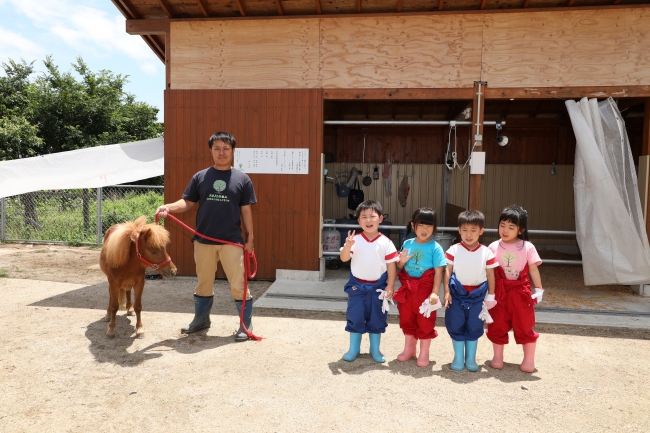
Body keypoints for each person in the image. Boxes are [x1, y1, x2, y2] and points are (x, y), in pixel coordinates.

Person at [155, 132, 257, 341]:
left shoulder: (242, 179)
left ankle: (245, 325)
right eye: (217, 148)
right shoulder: (200, 177)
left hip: (232, 241)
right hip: (203, 240)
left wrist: (250, 239)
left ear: (233, 151)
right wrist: (168, 207)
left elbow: (246, 211)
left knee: (238, 284)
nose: (221, 152)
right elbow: (188, 203)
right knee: (203, 282)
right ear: (210, 150)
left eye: (226, 148)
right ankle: (201, 320)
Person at [487, 205, 544, 372]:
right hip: (499, 292)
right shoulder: (493, 246)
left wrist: (539, 289)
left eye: (511, 227)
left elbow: (533, 268)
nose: (505, 230)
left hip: (520, 293)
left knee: (524, 325)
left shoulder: (527, 247)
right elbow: (488, 271)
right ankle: (498, 358)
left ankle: (528, 361)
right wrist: (488, 294)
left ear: (520, 230)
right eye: (502, 225)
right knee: (497, 324)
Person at [339, 200, 398, 363]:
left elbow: (391, 265)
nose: (368, 220)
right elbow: (344, 258)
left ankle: (375, 349)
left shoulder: (386, 242)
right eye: (363, 217)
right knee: (355, 316)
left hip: (378, 287)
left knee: (377, 318)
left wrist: (390, 285)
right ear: (358, 221)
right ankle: (354, 349)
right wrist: (347, 246)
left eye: (372, 216)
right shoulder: (354, 240)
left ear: (380, 219)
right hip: (357, 287)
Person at [443, 210, 498, 372]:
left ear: (481, 231)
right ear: (459, 230)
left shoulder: (487, 252)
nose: (469, 234)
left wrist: (491, 296)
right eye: (465, 230)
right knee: (456, 323)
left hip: (478, 296)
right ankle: (458, 358)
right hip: (457, 294)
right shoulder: (453, 250)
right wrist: (446, 291)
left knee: (474, 325)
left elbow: (490, 274)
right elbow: (447, 271)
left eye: (474, 230)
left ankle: (471, 359)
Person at [394, 208, 446, 368]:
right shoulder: (407, 243)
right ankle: (409, 349)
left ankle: (424, 353)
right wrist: (401, 262)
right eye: (421, 225)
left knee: (425, 321)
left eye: (429, 226)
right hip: (408, 288)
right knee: (407, 318)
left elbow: (439, 272)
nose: (425, 230)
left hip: (425, 290)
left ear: (434, 228)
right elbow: (400, 265)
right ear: (413, 225)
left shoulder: (435, 247)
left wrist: (435, 293)